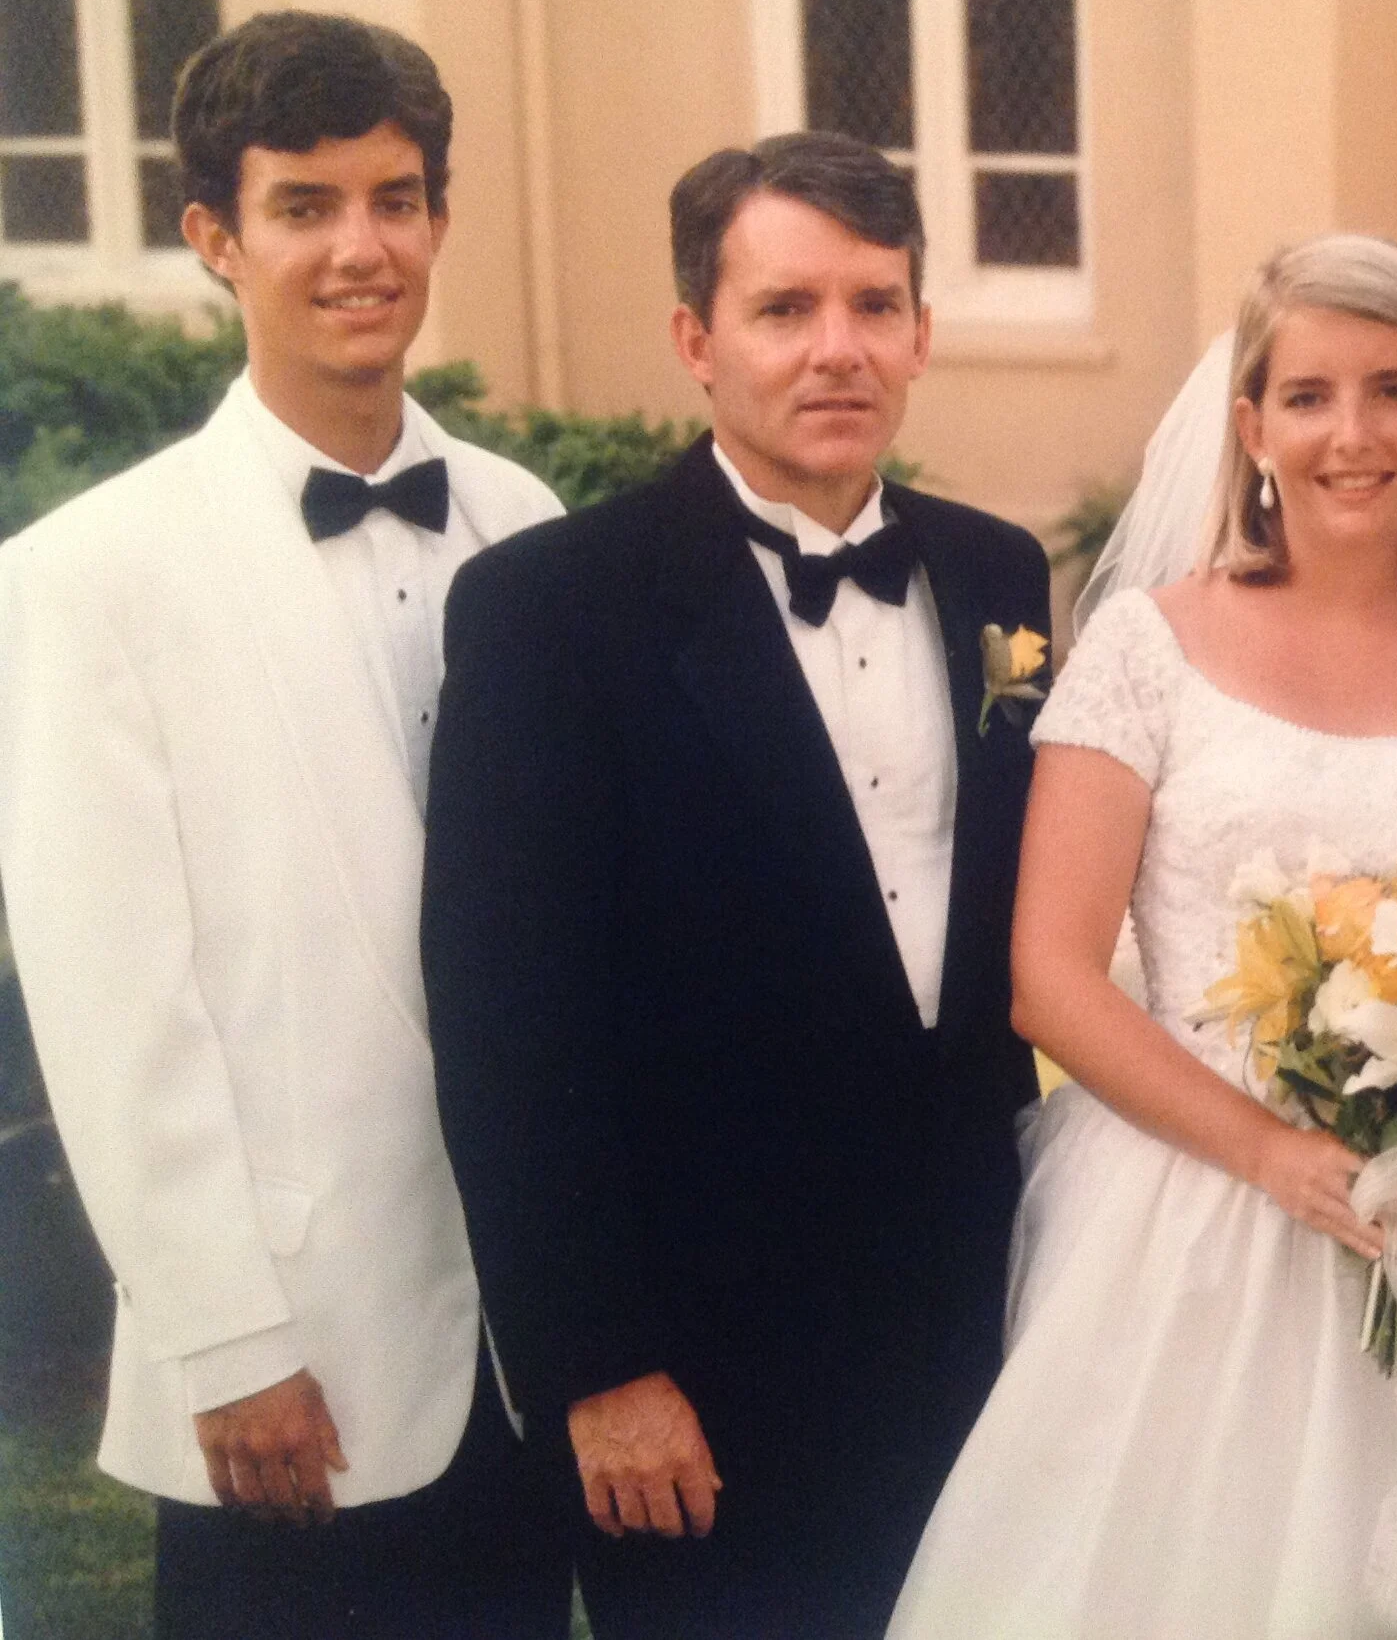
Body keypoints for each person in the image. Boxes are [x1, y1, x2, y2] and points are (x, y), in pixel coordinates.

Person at [888, 235, 1397, 1639]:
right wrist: (1274, 1156)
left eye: (1393, 389)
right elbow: (1050, 977)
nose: (1352, 434)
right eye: (1307, 395)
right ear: (1250, 428)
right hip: (1187, 1211)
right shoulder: (1145, 649)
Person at [420, 132, 1048, 1638]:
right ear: (696, 340)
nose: (839, 349)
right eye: (784, 309)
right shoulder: (550, 610)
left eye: (874, 304)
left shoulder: (998, 576)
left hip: (976, 1325)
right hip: (696, 1370)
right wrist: (598, 1363)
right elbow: (507, 1024)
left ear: (921, 333)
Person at [0, 11, 571, 1637]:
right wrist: (228, 1337)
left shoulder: (525, 524)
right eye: (304, 206)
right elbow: (114, 1003)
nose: (359, 249)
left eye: (394, 199)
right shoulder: (87, 577)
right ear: (215, 237)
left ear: (441, 219)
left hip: (521, 1349)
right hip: (286, 1363)